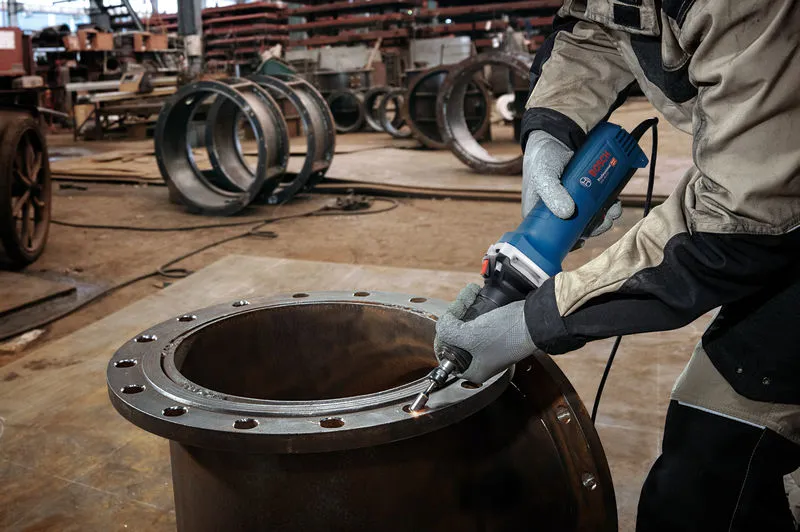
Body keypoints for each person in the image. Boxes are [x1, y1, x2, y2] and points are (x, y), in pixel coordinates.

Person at [434, 1, 800, 530]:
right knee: (709, 457)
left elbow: (741, 216)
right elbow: (595, 30)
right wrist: (551, 131)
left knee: (705, 484)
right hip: (772, 210)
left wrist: (534, 320)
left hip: (768, 215)